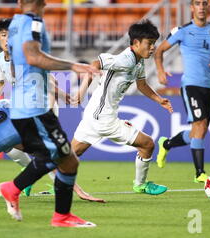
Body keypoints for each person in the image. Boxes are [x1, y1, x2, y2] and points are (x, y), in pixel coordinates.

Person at [0, 0, 100, 228]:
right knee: (61, 156)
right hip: (34, 107)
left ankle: (61, 216)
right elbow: (34, 57)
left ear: (20, 1)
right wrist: (72, 65)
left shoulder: (14, 25)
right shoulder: (34, 22)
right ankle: (13, 188)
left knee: (65, 159)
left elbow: (14, 63)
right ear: (46, 0)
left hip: (24, 104)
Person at [0, 18, 104, 202]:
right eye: (3, 35)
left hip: (43, 107)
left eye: (10, 35)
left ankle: (75, 190)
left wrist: (51, 106)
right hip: (24, 107)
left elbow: (49, 81)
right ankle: (28, 176)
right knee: (10, 146)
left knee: (47, 152)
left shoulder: (26, 56)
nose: (7, 39)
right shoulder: (0, 58)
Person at [71, 20, 172, 196]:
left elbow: (141, 85)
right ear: (136, 43)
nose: (152, 48)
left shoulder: (138, 62)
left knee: (69, 156)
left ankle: (30, 179)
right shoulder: (125, 60)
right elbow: (96, 64)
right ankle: (140, 185)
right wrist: (81, 91)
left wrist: (159, 99)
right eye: (149, 44)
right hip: (104, 119)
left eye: (154, 44)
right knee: (147, 144)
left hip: (94, 114)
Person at [154, 0, 210, 183]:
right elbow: (159, 51)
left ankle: (167, 143)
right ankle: (200, 173)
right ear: (192, 8)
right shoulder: (183, 31)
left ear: (208, 7)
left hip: (208, 86)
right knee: (200, 124)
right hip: (190, 85)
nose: (202, 7)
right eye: (198, 4)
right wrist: (160, 71)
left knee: (199, 132)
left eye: (205, 3)